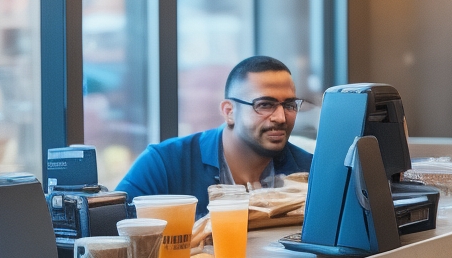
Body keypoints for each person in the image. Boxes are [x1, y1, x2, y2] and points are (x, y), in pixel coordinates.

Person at [117, 56, 313, 217]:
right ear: (229, 111)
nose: (280, 117)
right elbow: (111, 231)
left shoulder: (310, 171)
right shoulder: (164, 163)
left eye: (289, 105)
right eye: (264, 105)